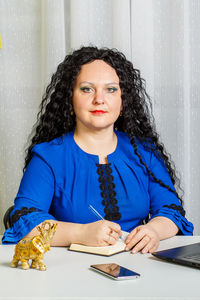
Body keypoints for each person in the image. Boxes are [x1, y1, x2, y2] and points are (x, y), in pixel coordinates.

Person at [2, 46, 193, 254]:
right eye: (87, 89)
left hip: (141, 266)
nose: (99, 99)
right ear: (70, 102)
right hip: (70, 273)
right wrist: (81, 233)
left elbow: (171, 210)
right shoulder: (47, 156)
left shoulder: (145, 151)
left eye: (111, 89)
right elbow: (26, 220)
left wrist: (153, 231)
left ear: (123, 103)